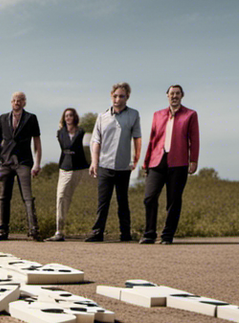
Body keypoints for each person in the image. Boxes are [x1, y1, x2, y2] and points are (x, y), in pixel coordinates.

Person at [139, 85, 200, 245]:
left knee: (173, 200)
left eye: (177, 93)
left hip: (178, 162)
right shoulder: (158, 115)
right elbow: (152, 140)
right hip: (156, 161)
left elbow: (194, 139)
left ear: (182, 96)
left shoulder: (190, 115)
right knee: (149, 197)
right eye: (172, 93)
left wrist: (193, 160)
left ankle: (167, 235)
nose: (174, 96)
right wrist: (146, 163)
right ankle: (149, 234)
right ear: (167, 95)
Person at [85, 82, 141, 242]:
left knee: (123, 202)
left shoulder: (134, 115)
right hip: (104, 165)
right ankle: (97, 233)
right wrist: (94, 162)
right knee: (103, 202)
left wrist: (135, 160)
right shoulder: (102, 117)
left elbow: (137, 138)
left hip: (123, 166)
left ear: (127, 97)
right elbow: (95, 141)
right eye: (115, 96)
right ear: (111, 96)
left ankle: (125, 234)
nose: (118, 99)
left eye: (121, 96)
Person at [0, 92, 42, 241]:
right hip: (6, 163)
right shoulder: (3, 118)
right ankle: (2, 231)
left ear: (24, 102)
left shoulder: (31, 118)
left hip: (24, 162)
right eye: (14, 100)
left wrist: (37, 163)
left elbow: (37, 142)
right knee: (4, 197)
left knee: (27, 197)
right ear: (11, 102)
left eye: (20, 100)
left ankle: (33, 229)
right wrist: (2, 153)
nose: (17, 102)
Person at [50, 107, 89, 241]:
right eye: (66, 115)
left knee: (77, 198)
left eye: (71, 115)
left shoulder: (82, 132)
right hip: (65, 167)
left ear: (75, 117)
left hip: (80, 167)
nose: (68, 117)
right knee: (61, 197)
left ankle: (84, 229)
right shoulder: (60, 133)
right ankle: (59, 231)